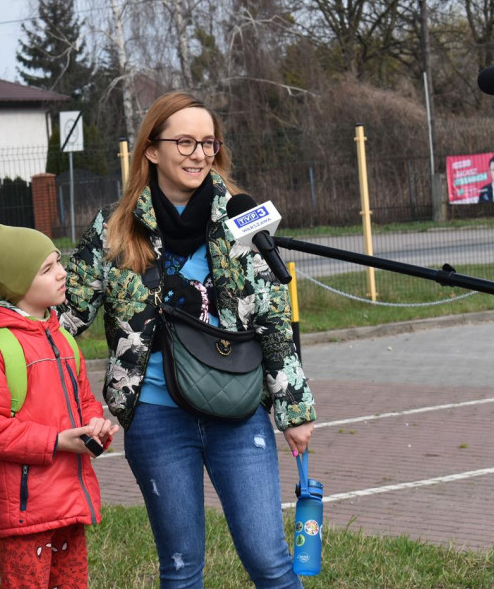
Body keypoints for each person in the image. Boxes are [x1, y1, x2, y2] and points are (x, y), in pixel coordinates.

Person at [58, 91, 316, 588]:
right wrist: (11, 321)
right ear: (151, 150)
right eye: (185, 142)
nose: (200, 154)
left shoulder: (243, 221)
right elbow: (69, 317)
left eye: (208, 143)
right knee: (180, 569)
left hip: (238, 413)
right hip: (157, 418)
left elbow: (274, 322)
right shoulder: (114, 229)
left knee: (269, 560)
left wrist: (295, 410)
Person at [0, 224, 118, 589]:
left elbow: (83, 400)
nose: (62, 272)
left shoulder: (62, 337)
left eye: (58, 262)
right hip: (26, 511)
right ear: (18, 284)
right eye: (47, 269)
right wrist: (57, 441)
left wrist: (95, 425)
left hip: (69, 501)